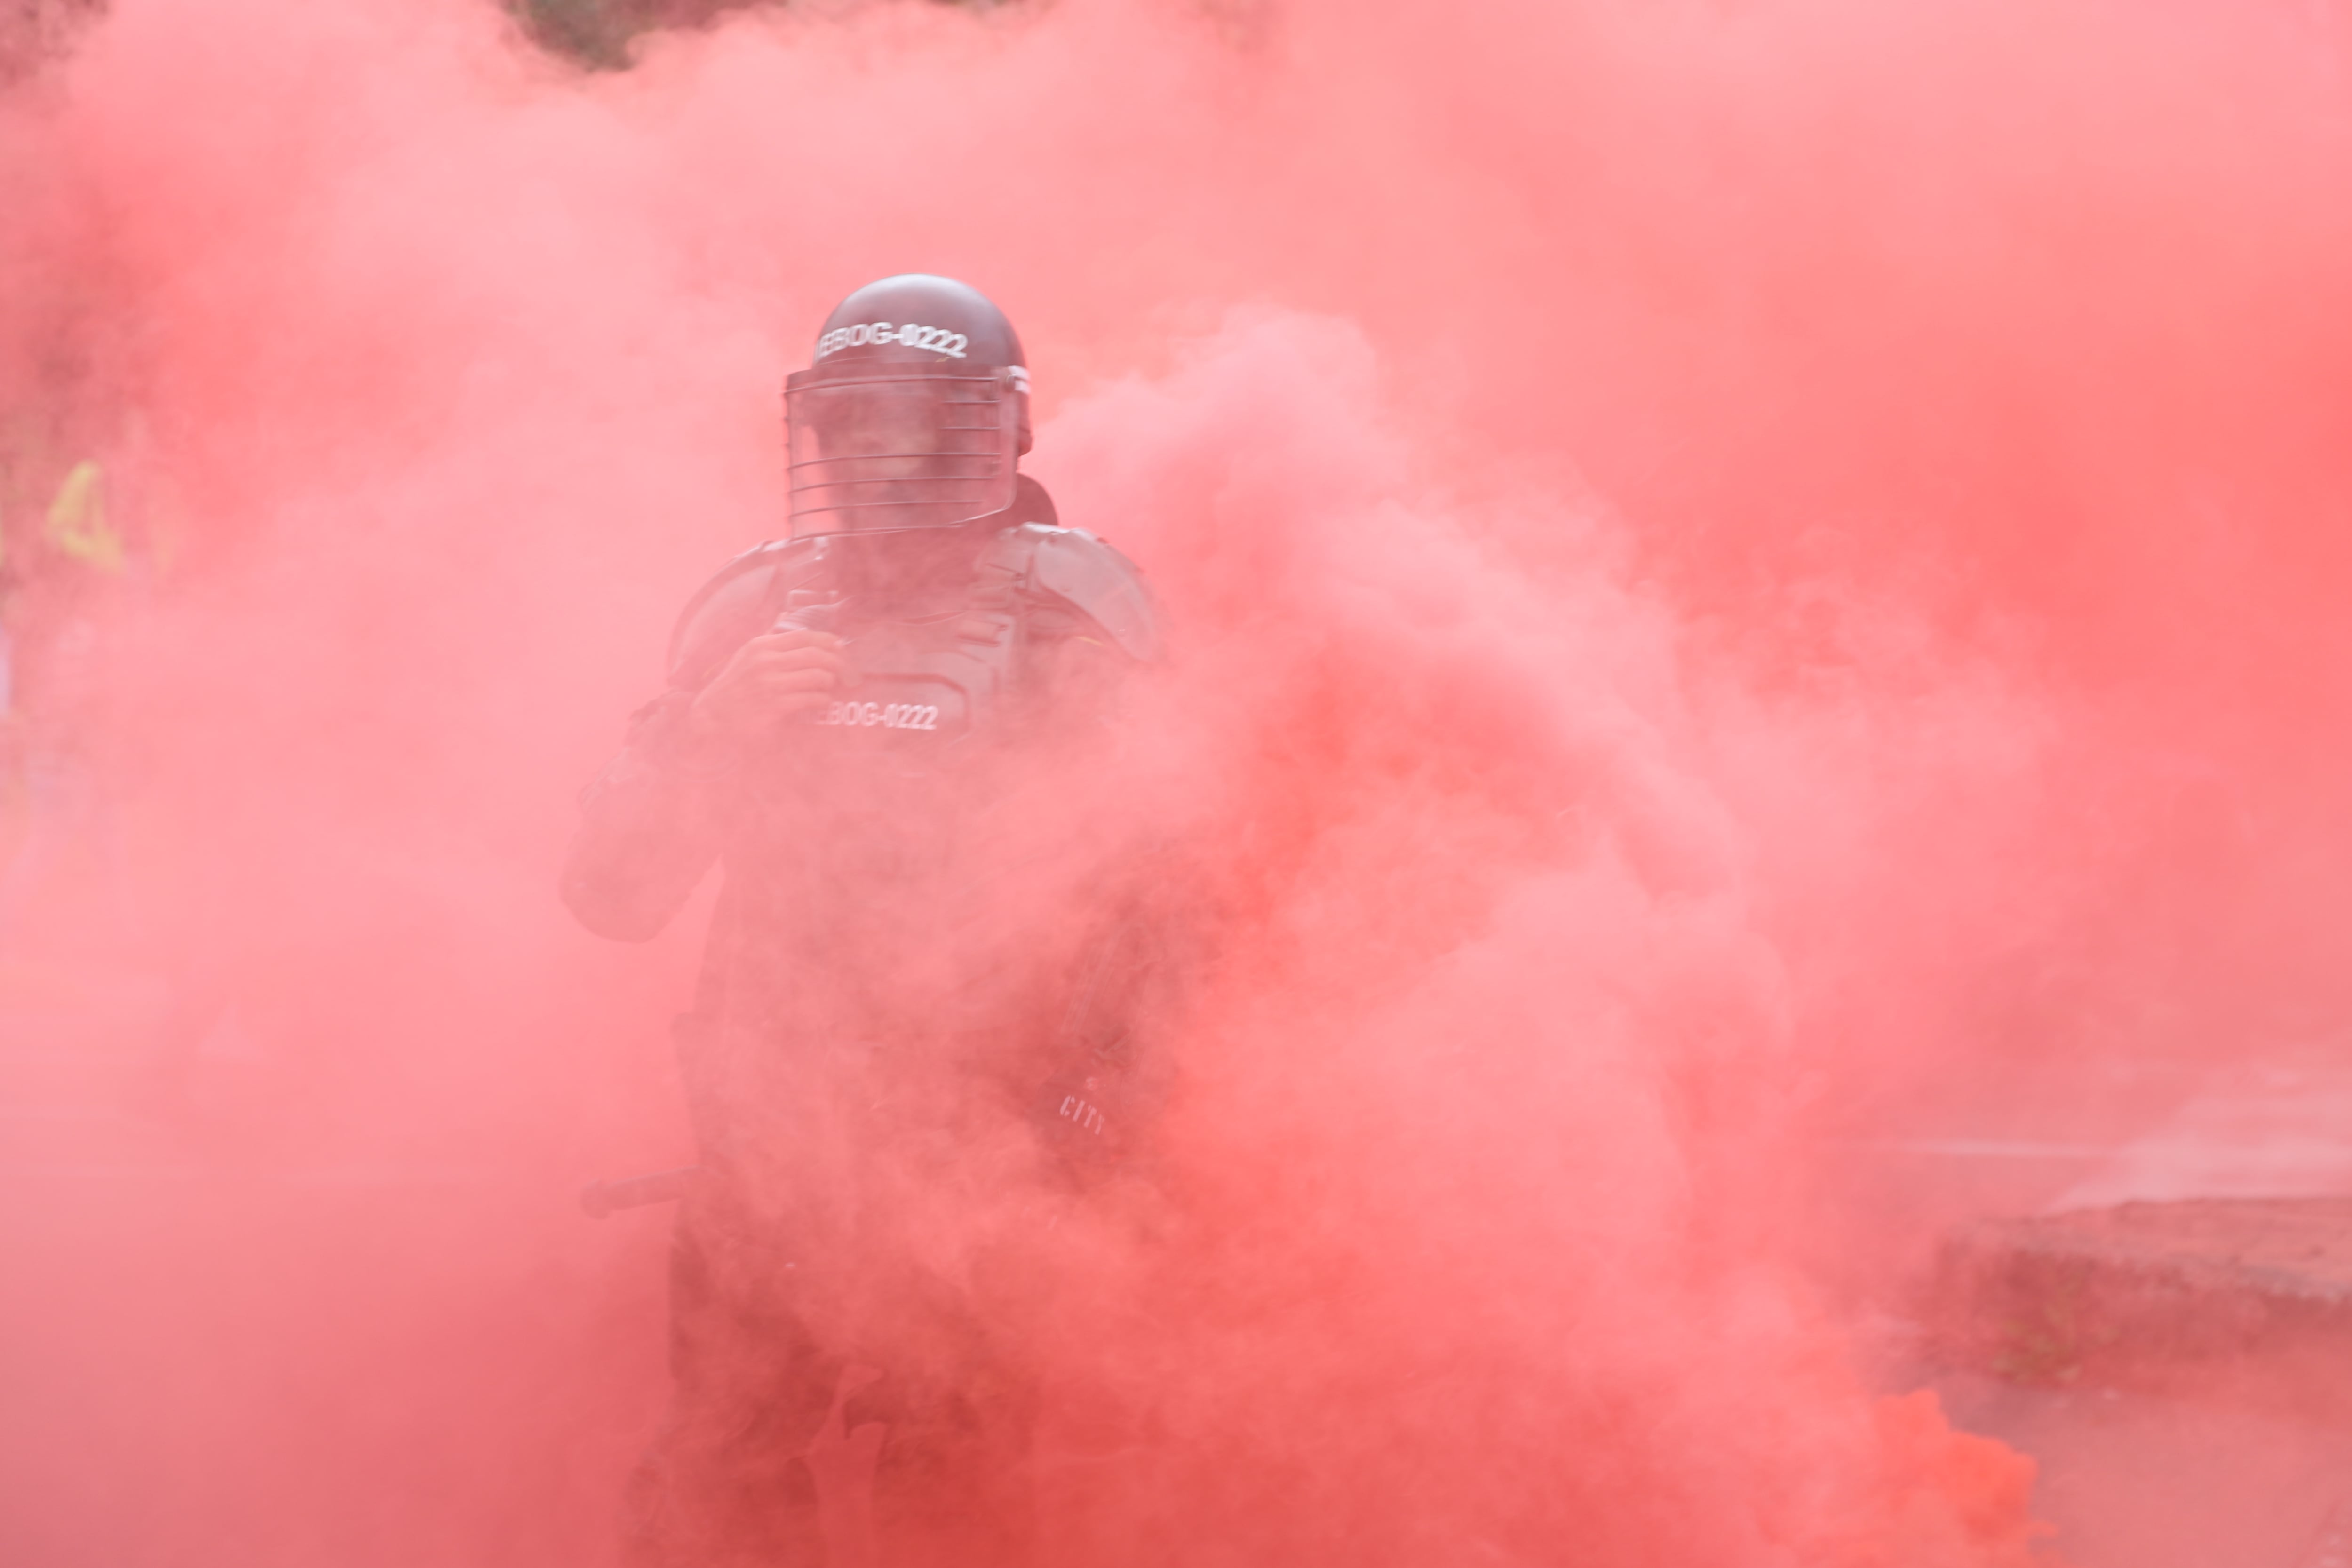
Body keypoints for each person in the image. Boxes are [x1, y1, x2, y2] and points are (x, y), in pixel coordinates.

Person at [563, 275, 1171, 1568]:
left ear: (1005, 436)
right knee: (722, 1478)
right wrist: (714, 730)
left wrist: (1099, 1108)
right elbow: (612, 894)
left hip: (995, 1151)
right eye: (860, 423)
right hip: (767, 1151)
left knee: (957, 1495)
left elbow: (1175, 898)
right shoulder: (750, 618)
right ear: (819, 436)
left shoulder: (1072, 620)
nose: (891, 456)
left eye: (931, 423)